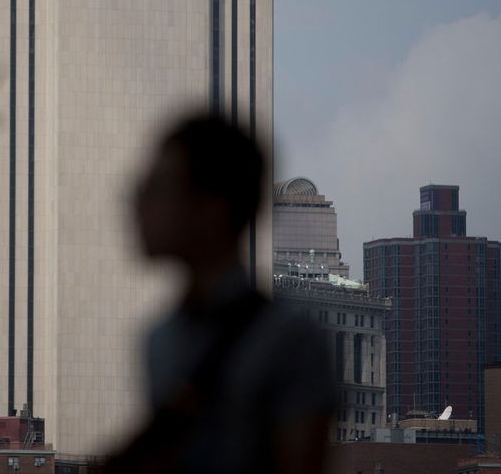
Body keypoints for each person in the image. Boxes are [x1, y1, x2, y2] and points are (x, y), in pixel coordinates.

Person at [106, 112, 335, 474]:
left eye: (158, 187)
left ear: (212, 207)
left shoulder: (290, 343)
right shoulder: (159, 339)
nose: (138, 202)